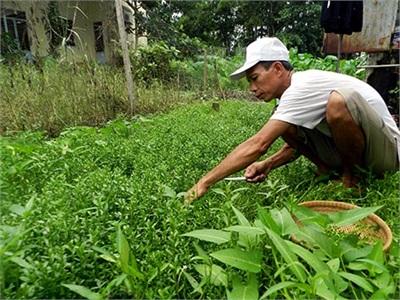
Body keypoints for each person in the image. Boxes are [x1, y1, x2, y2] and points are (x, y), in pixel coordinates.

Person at [185, 37, 400, 203]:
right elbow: (293, 146)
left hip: (388, 154)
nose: (252, 88)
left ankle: (352, 180)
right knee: (284, 126)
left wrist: (205, 182)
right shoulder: (289, 98)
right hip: (365, 151)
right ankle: (328, 170)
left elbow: (258, 144)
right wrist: (268, 164)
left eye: (255, 78)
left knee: (338, 103)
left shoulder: (300, 86)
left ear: (278, 69)